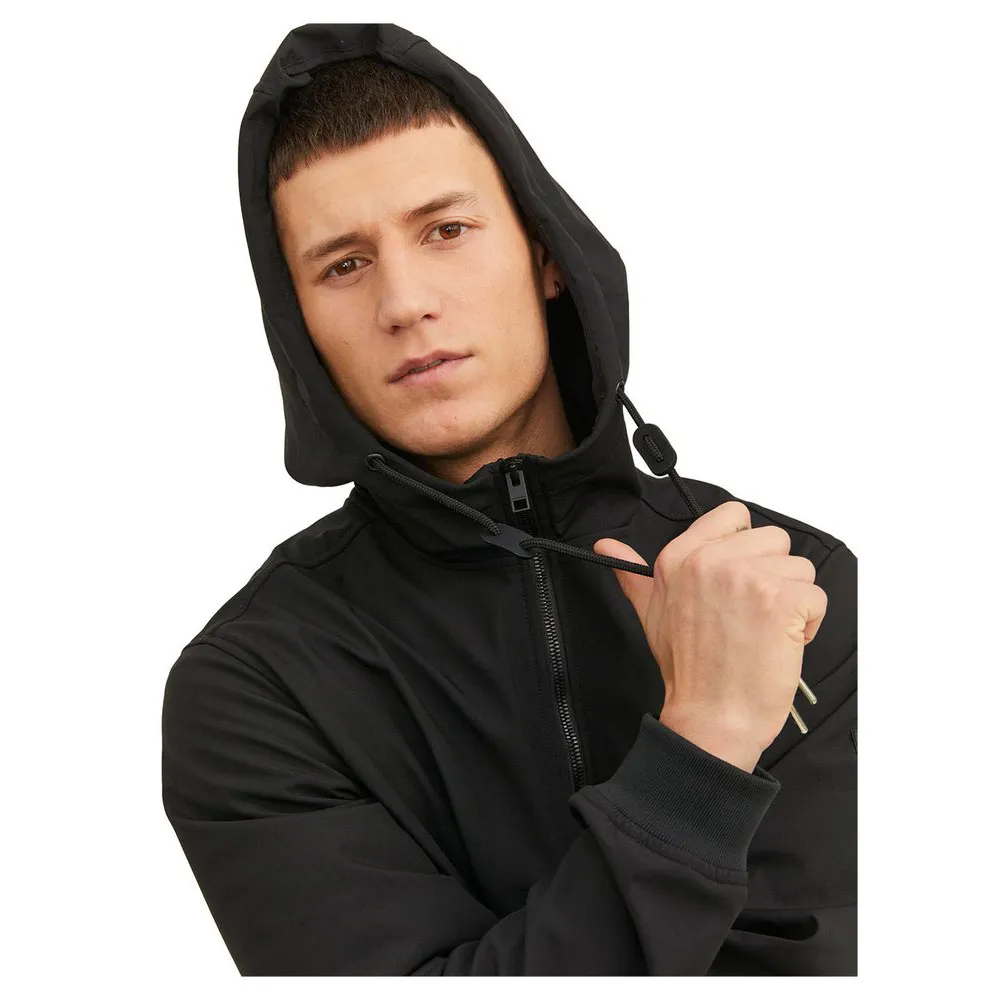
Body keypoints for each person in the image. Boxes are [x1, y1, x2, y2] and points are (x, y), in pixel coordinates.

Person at [160, 22, 857, 975]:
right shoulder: (256, 687)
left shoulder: (796, 588)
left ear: (546, 254)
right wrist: (707, 739)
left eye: (446, 231)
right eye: (344, 264)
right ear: (300, 325)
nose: (404, 303)